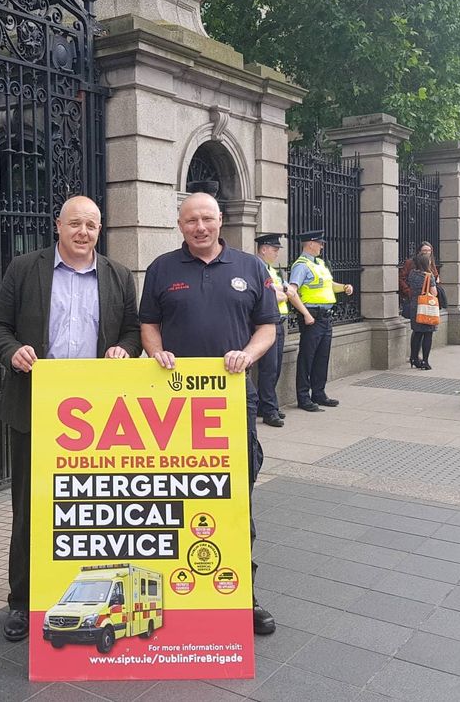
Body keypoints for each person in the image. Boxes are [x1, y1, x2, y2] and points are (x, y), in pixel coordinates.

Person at [0, 195, 142, 642]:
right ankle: (22, 602)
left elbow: (132, 330)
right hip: (34, 408)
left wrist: (124, 349)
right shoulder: (24, 269)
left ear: (100, 230)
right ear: (58, 225)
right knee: (29, 510)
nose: (83, 232)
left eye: (91, 225)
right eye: (75, 223)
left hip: (97, 419)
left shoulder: (118, 275)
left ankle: (84, 594)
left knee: (89, 510)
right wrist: (12, 351)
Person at [139, 192, 279, 636]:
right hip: (173, 405)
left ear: (220, 220)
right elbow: (148, 324)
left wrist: (248, 354)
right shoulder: (161, 268)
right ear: (179, 225)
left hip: (231, 401)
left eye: (207, 219)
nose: (200, 227)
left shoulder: (251, 268)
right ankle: (177, 592)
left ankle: (243, 595)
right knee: (174, 496)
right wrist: (156, 353)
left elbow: (268, 327)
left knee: (234, 498)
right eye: (191, 220)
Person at [285, 230, 354, 412]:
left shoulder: (320, 264)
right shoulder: (301, 265)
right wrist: (305, 314)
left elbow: (328, 285)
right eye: (320, 243)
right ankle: (303, 397)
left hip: (325, 316)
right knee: (307, 358)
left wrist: (344, 287)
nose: (322, 247)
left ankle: (319, 393)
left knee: (322, 357)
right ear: (310, 244)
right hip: (312, 316)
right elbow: (291, 292)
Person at [255, 233, 289, 428]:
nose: (277, 253)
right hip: (267, 324)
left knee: (274, 368)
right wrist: (281, 293)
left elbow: (282, 292)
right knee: (269, 368)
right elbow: (269, 295)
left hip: (278, 321)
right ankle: (269, 410)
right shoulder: (257, 267)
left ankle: (267, 405)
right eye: (274, 250)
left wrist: (280, 292)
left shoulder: (271, 269)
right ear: (264, 249)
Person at [406, 252, 439, 370]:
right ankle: (425, 361)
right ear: (426, 263)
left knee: (417, 333)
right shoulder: (429, 276)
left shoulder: (412, 274)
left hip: (415, 306)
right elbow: (434, 293)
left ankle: (414, 358)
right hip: (426, 307)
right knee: (428, 334)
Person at [399, 242, 441, 316]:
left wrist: (436, 279)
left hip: (428, 298)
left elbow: (436, 275)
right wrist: (408, 291)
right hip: (415, 297)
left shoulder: (431, 263)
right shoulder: (411, 264)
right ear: (419, 251)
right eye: (425, 250)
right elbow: (402, 278)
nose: (427, 252)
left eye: (429, 250)